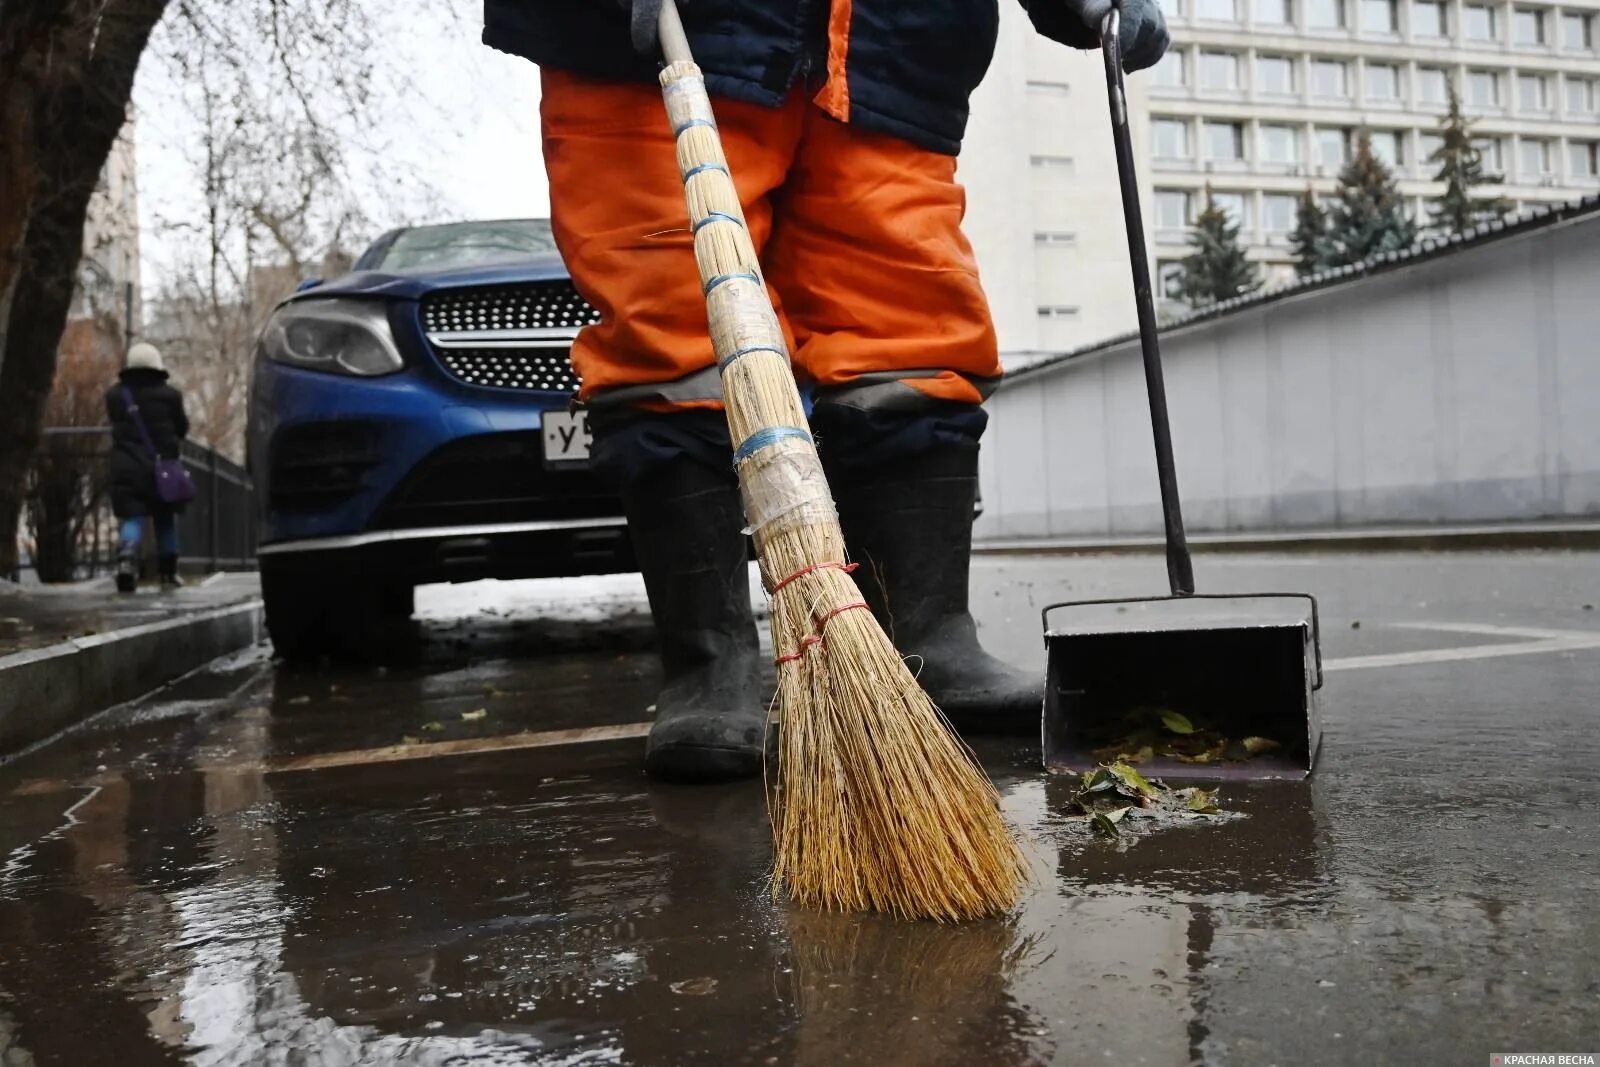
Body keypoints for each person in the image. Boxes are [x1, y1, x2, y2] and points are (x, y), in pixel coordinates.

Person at [482, 0, 1168, 782]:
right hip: (673, 41)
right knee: (674, 314)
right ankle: (713, 662)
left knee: (908, 319)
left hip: (893, 46)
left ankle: (927, 638)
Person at [107, 341, 189, 593]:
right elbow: (182, 428)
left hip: (127, 465)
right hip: (161, 467)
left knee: (133, 517)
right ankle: (168, 573)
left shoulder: (116, 395)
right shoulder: (171, 396)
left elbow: (115, 423)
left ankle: (126, 561)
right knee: (165, 519)